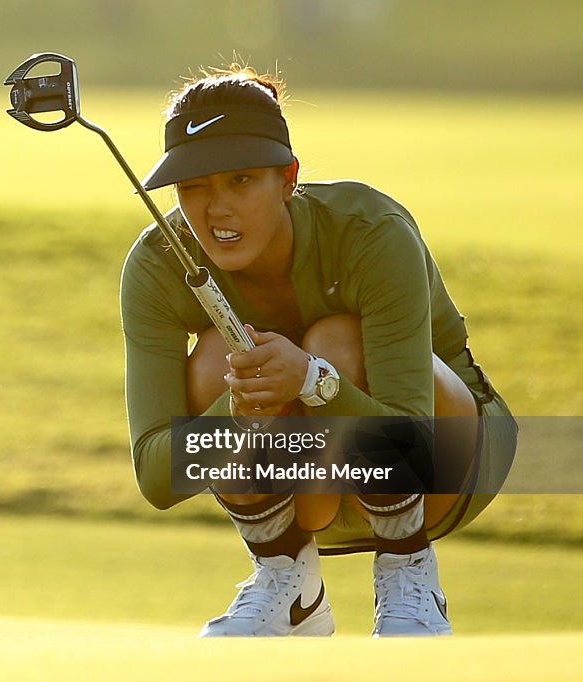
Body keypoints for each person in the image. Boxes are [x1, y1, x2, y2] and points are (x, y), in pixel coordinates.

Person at [119, 65, 517, 637]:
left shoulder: (368, 230)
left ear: (288, 178)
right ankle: (289, 582)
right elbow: (158, 477)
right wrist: (240, 409)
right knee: (218, 358)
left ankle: (409, 573)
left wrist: (313, 379)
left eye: (240, 181)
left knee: (336, 341)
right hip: (307, 496)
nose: (215, 209)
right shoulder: (161, 263)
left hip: (450, 468)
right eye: (193, 188)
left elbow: (419, 439)